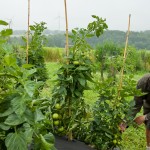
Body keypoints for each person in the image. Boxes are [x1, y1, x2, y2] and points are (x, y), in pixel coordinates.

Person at [119, 73, 150, 150]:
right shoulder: (143, 82)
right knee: (149, 125)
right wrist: (126, 121)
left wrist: (145, 117)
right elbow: (136, 105)